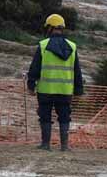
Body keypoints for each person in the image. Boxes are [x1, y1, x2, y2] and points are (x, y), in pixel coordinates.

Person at [27, 13, 84, 151]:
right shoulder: (72, 46)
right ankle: (64, 146)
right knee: (65, 117)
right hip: (65, 91)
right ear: (62, 28)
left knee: (45, 116)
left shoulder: (43, 45)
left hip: (45, 89)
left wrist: (31, 85)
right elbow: (77, 70)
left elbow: (35, 67)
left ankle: (45, 144)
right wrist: (78, 90)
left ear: (50, 28)